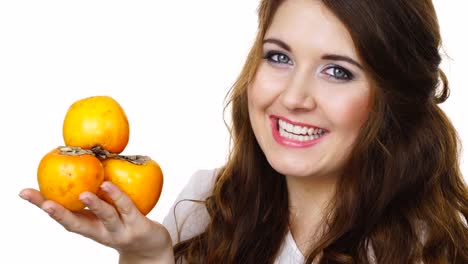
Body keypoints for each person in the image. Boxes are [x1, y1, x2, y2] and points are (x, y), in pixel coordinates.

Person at [20, 0, 468, 263]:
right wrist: (149, 259)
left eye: (337, 71)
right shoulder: (206, 205)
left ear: (396, 97)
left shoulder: (435, 249)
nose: (294, 97)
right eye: (279, 57)